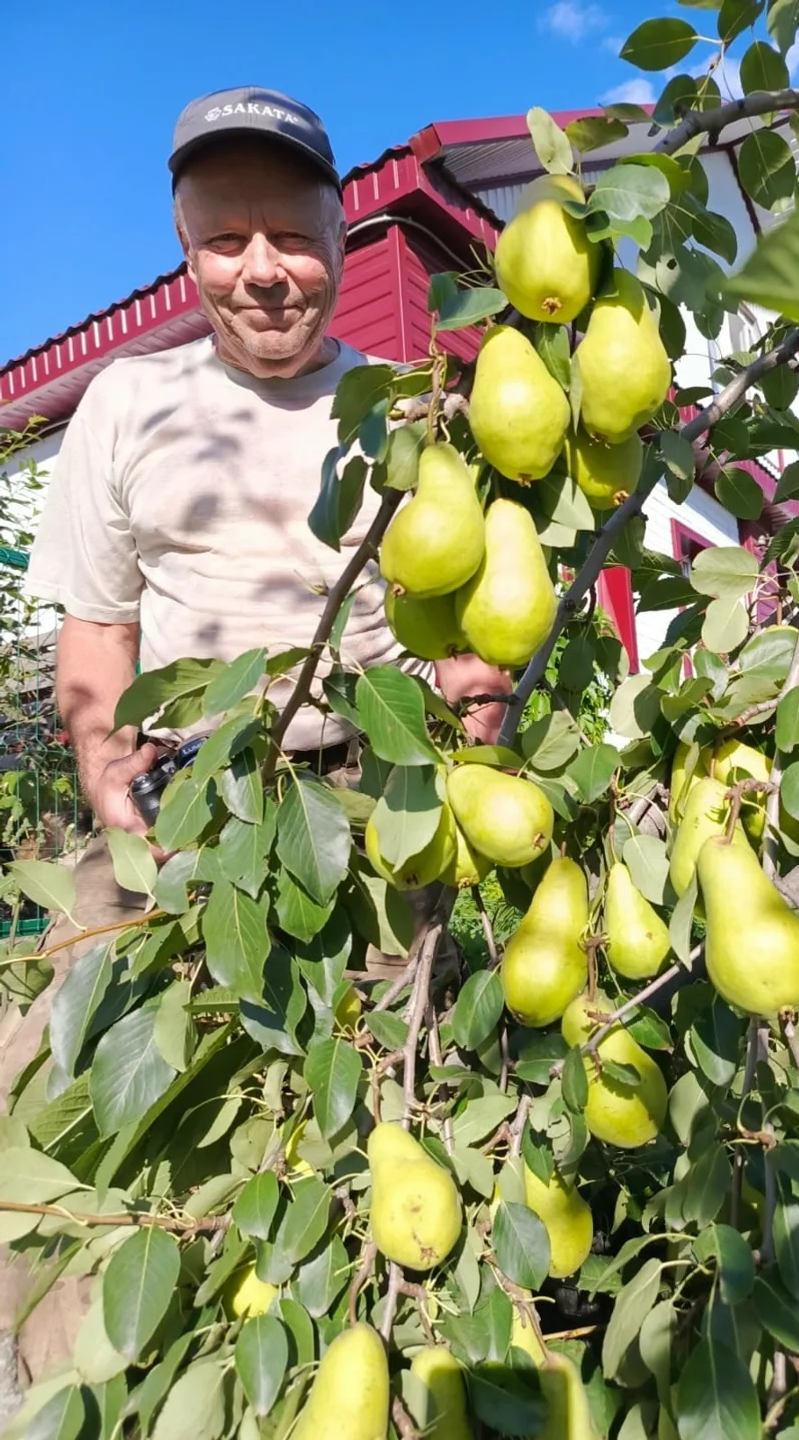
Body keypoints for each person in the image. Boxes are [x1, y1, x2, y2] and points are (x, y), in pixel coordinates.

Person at [0, 86, 510, 1390]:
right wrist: (112, 784)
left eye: (289, 234)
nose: (263, 269)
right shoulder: (127, 402)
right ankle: (70, 1384)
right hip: (182, 796)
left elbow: (465, 623)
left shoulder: (411, 410)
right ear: (186, 249)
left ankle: (356, 1358)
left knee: (385, 1095)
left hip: (375, 797)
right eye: (227, 240)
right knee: (73, 1094)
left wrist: (479, 694)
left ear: (340, 235)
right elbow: (98, 629)